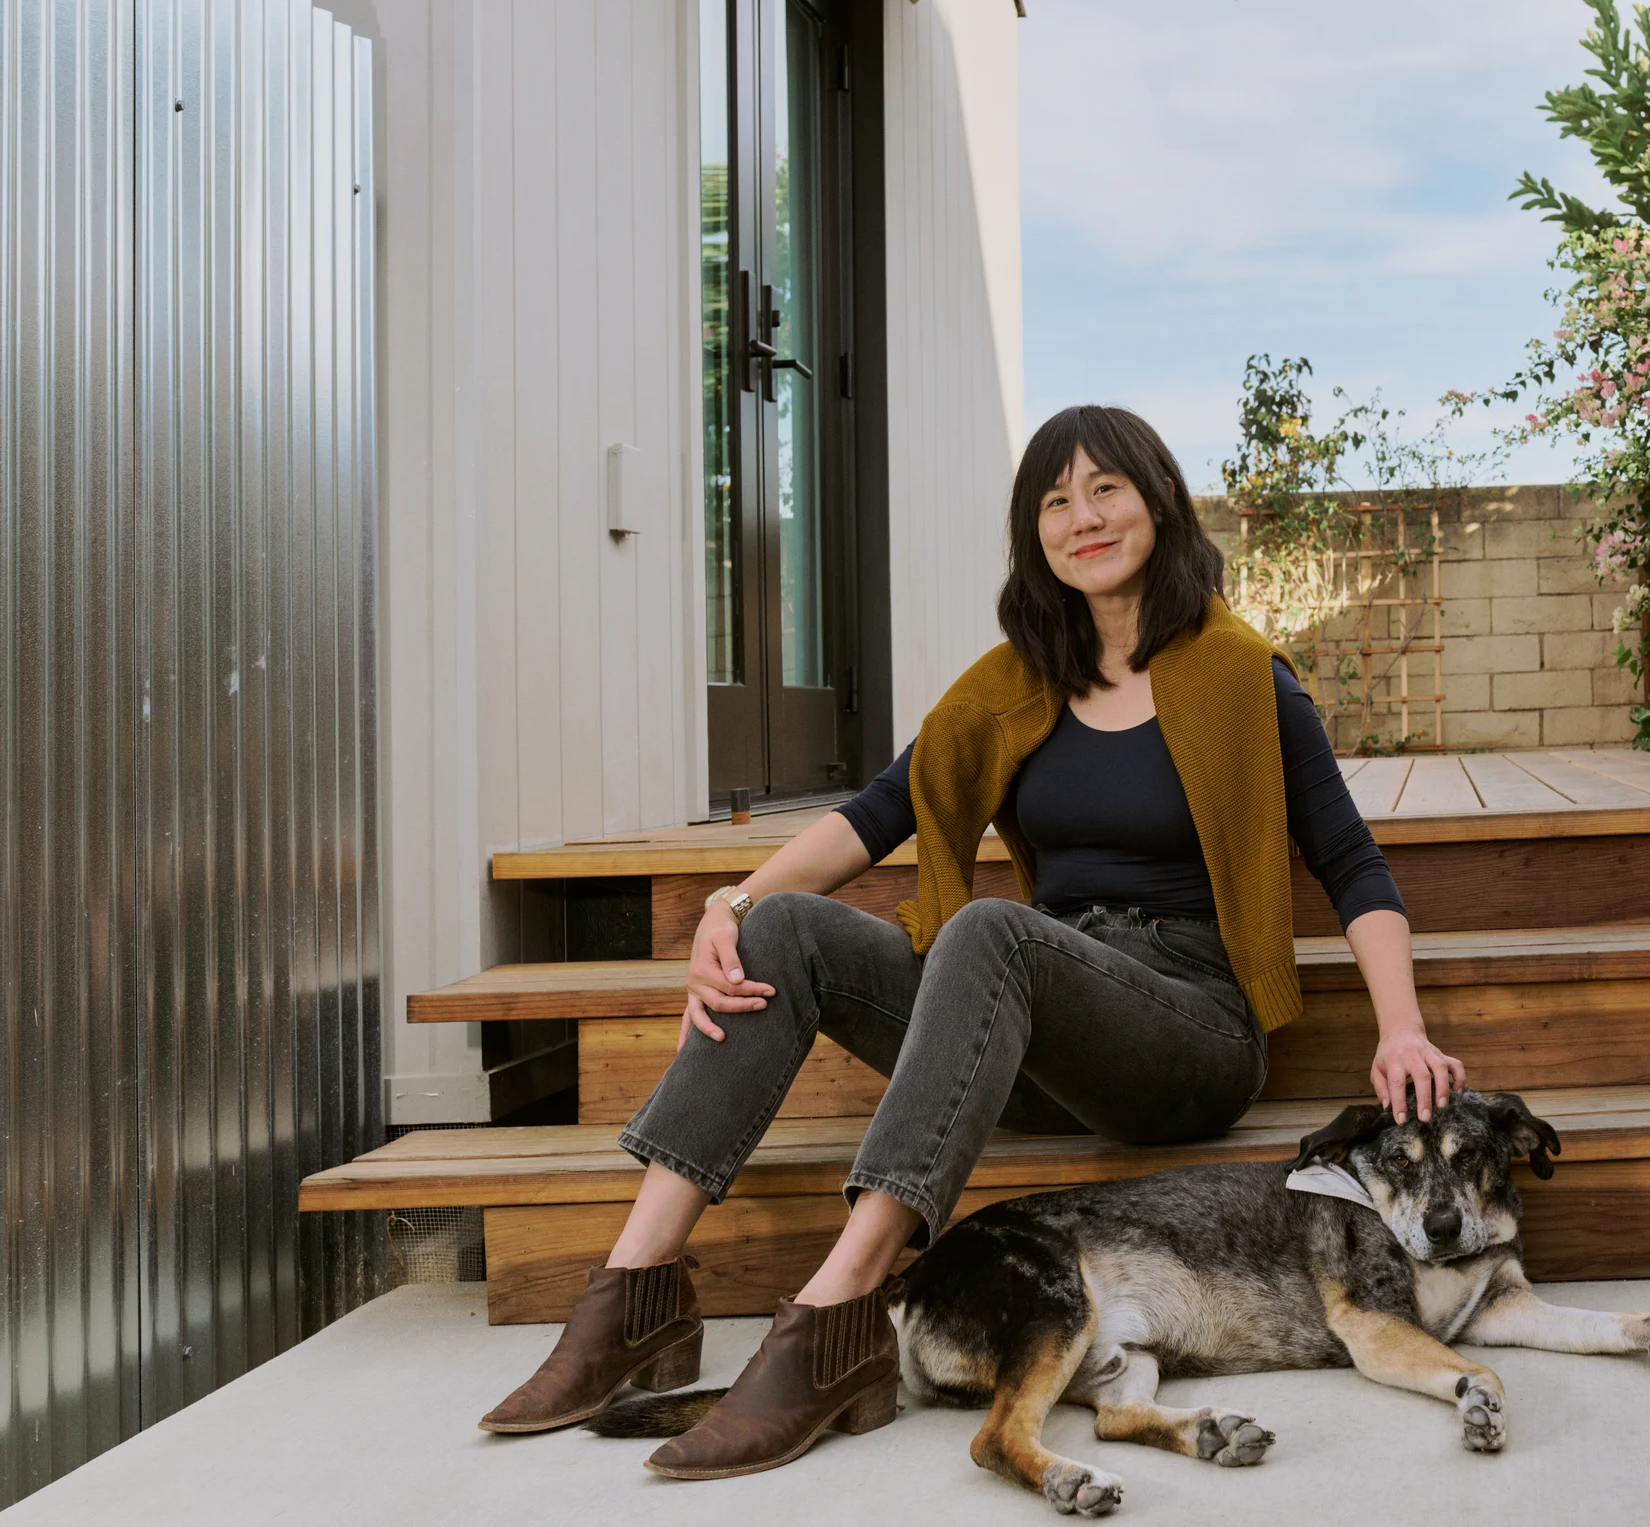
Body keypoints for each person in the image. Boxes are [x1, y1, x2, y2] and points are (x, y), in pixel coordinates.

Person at [478, 404, 1463, 1479]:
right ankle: (638, 1289)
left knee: (994, 929)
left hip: (1187, 1027)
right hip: (1032, 1022)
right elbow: (874, 813)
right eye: (1053, 501)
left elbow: (1353, 863)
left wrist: (1401, 1026)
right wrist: (728, 902)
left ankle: (838, 1305)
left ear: (1160, 502)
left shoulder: (1243, 675)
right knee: (788, 927)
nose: (1081, 518)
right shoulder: (1014, 685)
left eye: (1105, 490)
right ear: (1032, 532)